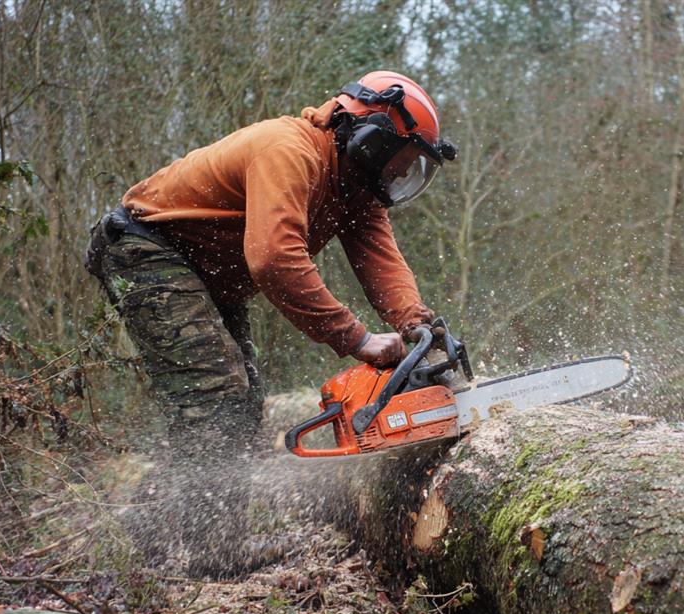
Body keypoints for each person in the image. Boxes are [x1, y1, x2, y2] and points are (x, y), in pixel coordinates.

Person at [84, 71, 457, 577]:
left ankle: (161, 529)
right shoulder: (291, 150)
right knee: (216, 395)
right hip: (149, 249)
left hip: (208, 273)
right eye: (399, 161)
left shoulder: (355, 189)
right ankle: (209, 555)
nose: (398, 174)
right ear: (369, 138)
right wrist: (359, 340)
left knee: (242, 400)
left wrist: (418, 326)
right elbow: (275, 260)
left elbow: (380, 260)